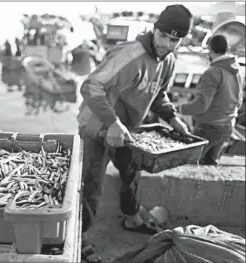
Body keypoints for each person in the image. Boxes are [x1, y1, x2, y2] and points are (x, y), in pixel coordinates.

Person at [77, 5, 193, 263]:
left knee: (131, 173)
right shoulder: (129, 54)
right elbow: (91, 85)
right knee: (91, 185)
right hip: (97, 126)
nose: (167, 43)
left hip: (128, 131)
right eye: (163, 36)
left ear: (181, 40)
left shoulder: (169, 60)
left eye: (175, 39)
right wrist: (112, 122)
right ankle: (80, 237)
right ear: (155, 29)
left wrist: (173, 118)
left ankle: (131, 217)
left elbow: (159, 94)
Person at [176, 35, 244, 165]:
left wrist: (179, 108)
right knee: (209, 165)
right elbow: (239, 102)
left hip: (208, 127)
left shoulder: (212, 73)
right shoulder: (236, 71)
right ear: (226, 49)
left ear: (210, 49)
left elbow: (201, 106)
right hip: (227, 127)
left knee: (189, 164)